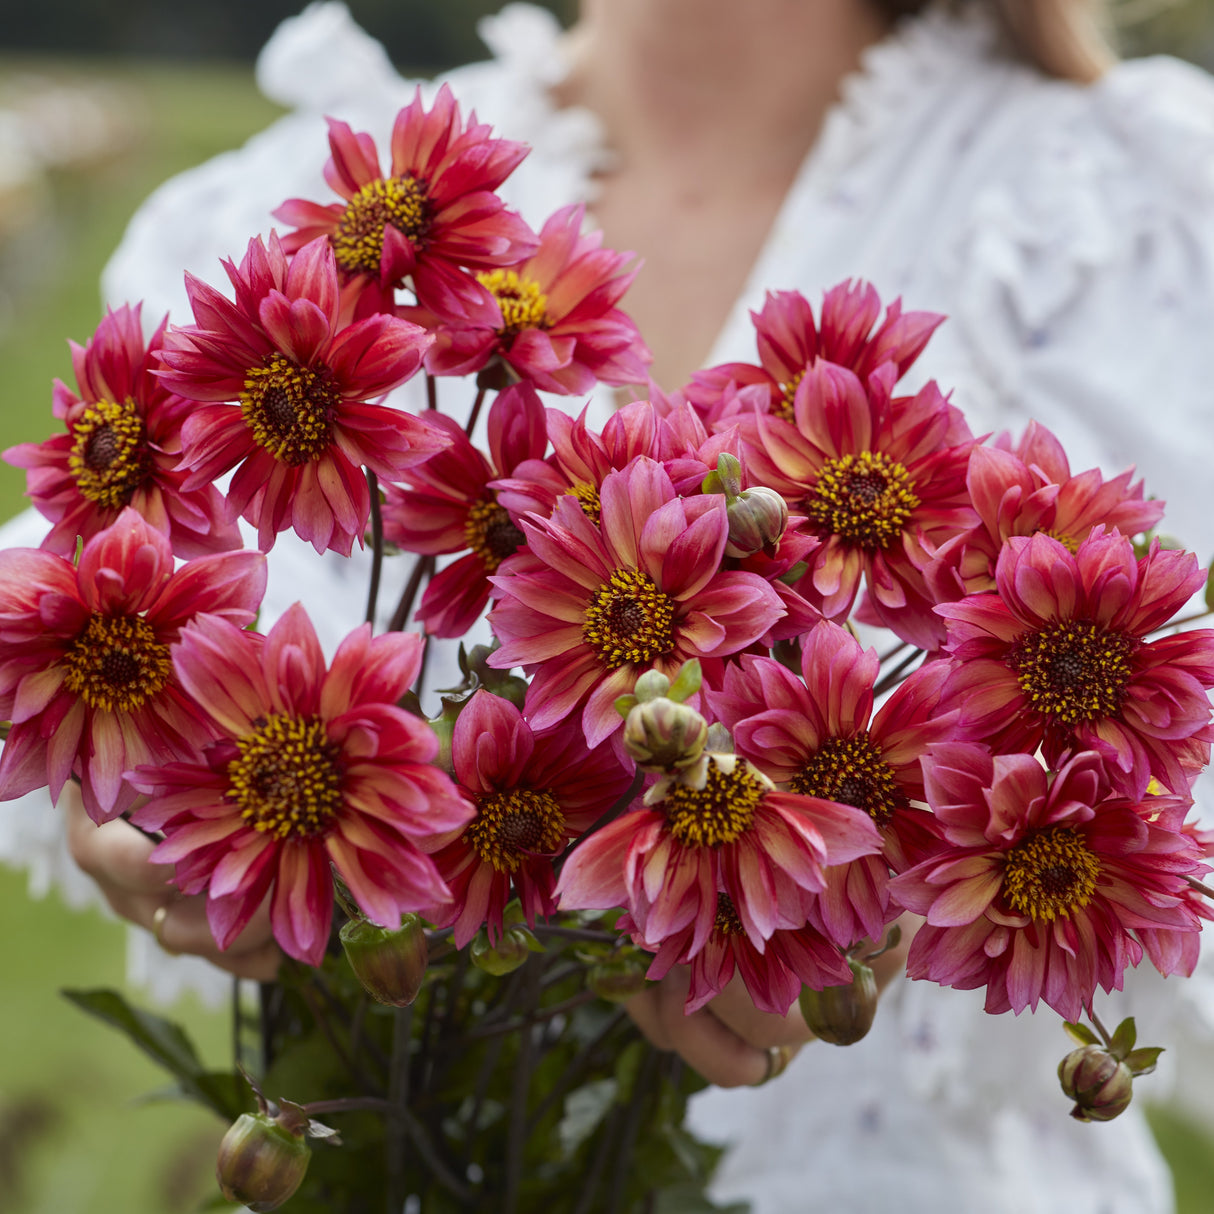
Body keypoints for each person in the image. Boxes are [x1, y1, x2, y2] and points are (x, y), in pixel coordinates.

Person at [4, 0, 1214, 1208]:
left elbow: (1170, 801)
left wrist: (895, 885)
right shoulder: (292, 208)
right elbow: (56, 592)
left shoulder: (1145, 208)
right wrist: (124, 784)